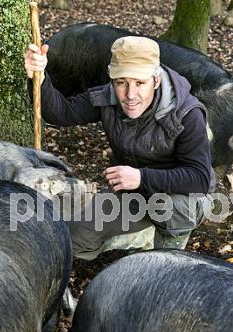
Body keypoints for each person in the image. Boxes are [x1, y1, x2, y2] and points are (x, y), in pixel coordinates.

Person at [24, 36, 215, 260]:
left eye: (139, 83)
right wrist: (40, 77)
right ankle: (135, 238)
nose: (130, 95)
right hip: (133, 194)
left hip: (179, 199)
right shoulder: (109, 97)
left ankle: (165, 251)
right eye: (121, 82)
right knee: (74, 240)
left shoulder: (186, 113)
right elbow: (61, 112)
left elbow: (199, 178)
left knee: (159, 263)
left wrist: (141, 178)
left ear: (155, 80)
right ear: (112, 79)